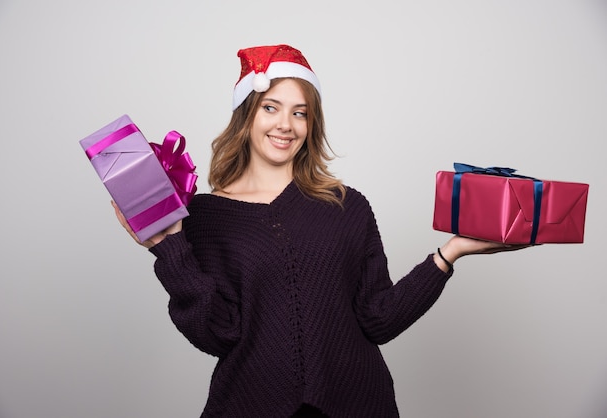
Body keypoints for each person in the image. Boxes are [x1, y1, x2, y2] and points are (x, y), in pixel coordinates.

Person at [113, 44, 528, 417]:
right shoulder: (202, 217)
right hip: (250, 404)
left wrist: (449, 253)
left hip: (358, 404)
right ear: (247, 115)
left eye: (300, 112)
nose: (286, 125)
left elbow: (378, 320)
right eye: (270, 108)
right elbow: (219, 333)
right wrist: (170, 251)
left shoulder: (346, 206)